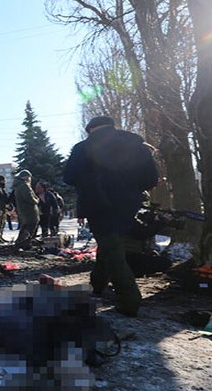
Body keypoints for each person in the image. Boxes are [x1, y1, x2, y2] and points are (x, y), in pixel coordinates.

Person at [64, 116, 158, 317]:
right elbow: (151, 178)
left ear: (91, 130)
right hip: (128, 204)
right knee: (110, 244)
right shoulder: (135, 144)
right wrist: (130, 190)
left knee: (113, 249)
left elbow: (68, 177)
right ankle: (97, 284)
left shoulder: (83, 148)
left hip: (98, 203)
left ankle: (130, 300)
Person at [13, 170, 39, 249]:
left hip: (24, 210)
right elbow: (29, 198)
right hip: (29, 211)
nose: (30, 179)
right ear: (26, 177)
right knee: (30, 226)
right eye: (29, 177)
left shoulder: (19, 185)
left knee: (26, 226)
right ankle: (24, 243)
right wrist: (37, 200)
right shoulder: (24, 186)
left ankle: (22, 243)